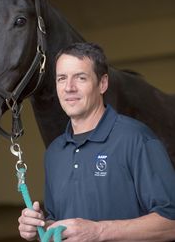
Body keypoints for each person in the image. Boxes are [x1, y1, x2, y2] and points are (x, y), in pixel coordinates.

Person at [18, 42, 175, 241]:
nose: (69, 88)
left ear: (103, 84)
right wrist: (40, 227)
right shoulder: (55, 152)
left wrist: (98, 232)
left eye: (80, 78)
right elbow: (59, 223)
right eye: (61, 79)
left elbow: (171, 224)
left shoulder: (136, 139)